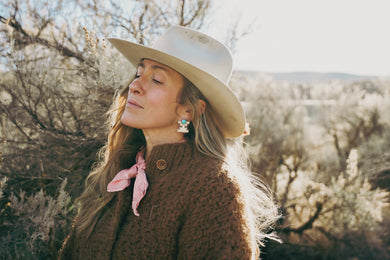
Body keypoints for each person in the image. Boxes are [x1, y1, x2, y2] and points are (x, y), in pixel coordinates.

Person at [59, 25, 278, 259]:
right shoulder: (119, 170)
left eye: (156, 79)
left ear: (187, 110)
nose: (134, 86)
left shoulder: (214, 188)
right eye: (138, 74)